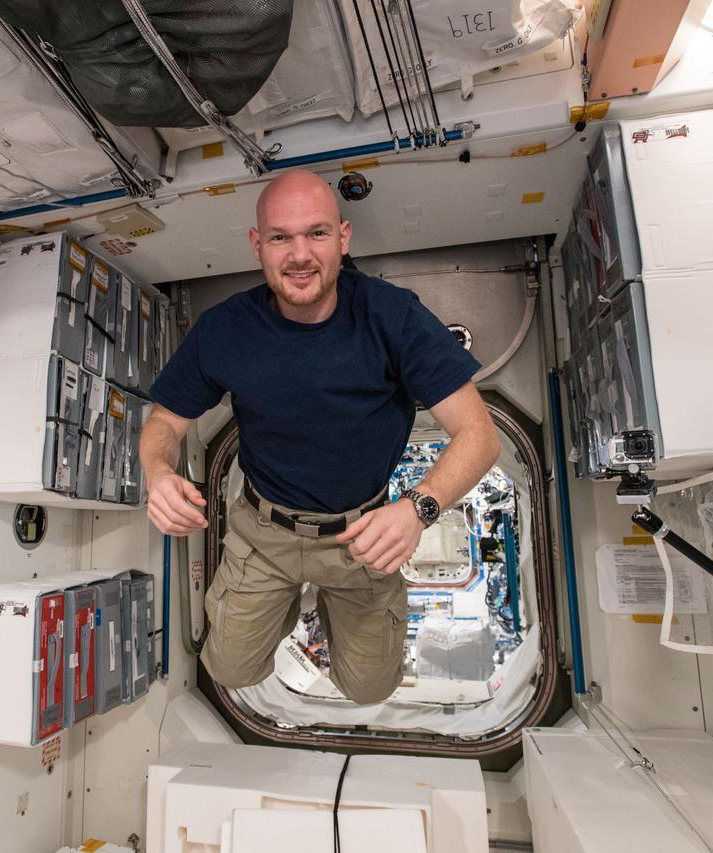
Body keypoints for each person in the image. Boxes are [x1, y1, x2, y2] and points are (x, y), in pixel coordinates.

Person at [140, 169, 500, 704]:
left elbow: (480, 435)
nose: (300, 254)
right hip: (263, 534)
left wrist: (416, 510)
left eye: (317, 234)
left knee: (370, 690)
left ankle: (332, 607)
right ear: (257, 245)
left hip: (363, 538)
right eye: (281, 237)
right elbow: (165, 423)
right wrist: (158, 473)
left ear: (344, 237)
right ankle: (286, 604)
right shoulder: (224, 330)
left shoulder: (393, 316)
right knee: (228, 670)